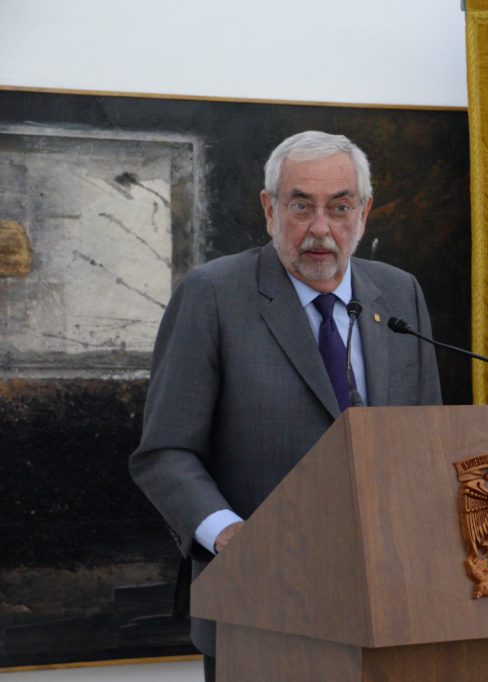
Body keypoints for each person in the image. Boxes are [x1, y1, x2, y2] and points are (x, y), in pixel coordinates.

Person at [129, 131, 442, 680]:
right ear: (270, 208)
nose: (321, 228)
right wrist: (231, 536)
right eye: (301, 205)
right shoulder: (213, 294)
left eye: (339, 207)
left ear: (364, 212)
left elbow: (426, 443)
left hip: (391, 603)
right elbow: (165, 452)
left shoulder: (400, 294)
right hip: (260, 605)